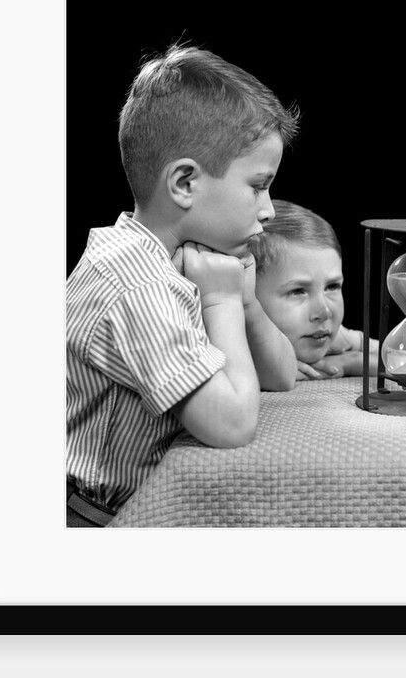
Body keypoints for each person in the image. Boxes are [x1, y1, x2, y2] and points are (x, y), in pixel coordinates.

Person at [66, 43, 300, 526]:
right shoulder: (140, 285)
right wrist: (221, 302)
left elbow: (281, 378)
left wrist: (247, 301)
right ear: (185, 184)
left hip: (134, 505)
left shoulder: (189, 258)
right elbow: (232, 424)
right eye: (258, 184)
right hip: (88, 519)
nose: (270, 209)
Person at [250, 199, 406, 383]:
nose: (324, 311)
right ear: (247, 293)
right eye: (298, 291)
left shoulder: (333, 336)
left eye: (332, 286)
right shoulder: (229, 343)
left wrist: (354, 362)